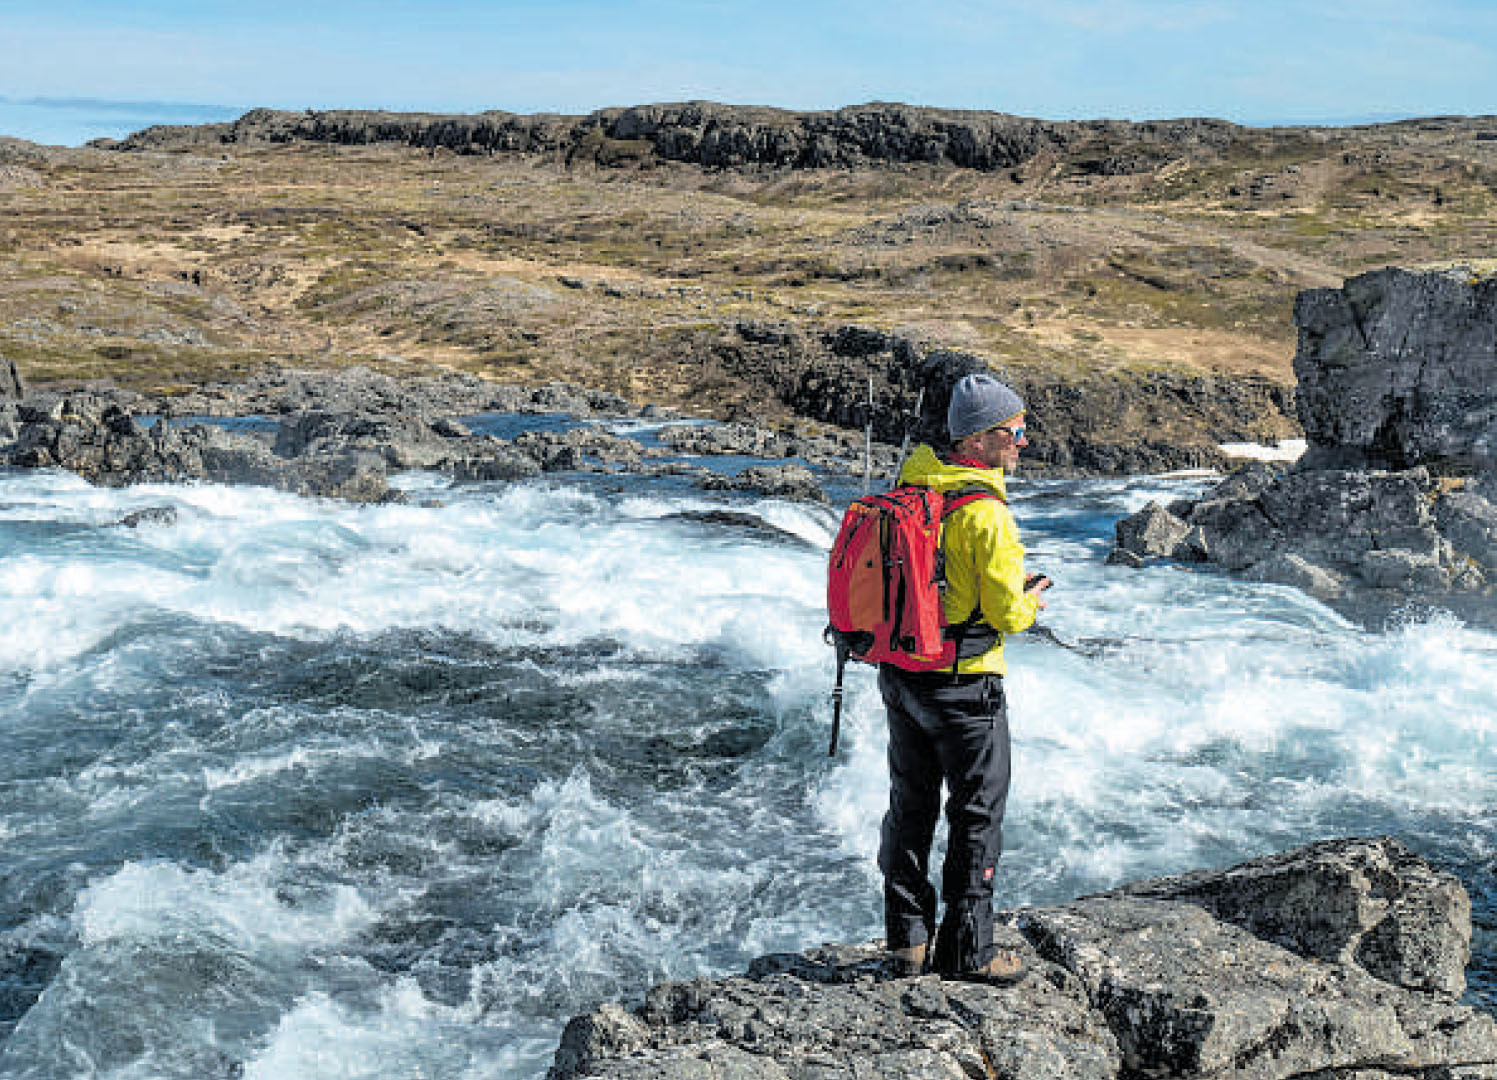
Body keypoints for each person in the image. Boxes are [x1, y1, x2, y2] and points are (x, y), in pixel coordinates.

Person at [879, 372, 1050, 983]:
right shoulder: (987, 515)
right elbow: (1007, 613)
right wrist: (1033, 601)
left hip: (901, 674)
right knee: (977, 815)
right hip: (965, 684)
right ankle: (970, 952)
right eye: (1015, 431)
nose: (1022, 442)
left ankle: (908, 940)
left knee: (911, 803)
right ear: (978, 441)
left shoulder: (914, 485)